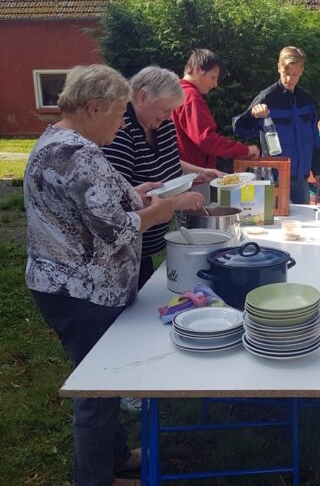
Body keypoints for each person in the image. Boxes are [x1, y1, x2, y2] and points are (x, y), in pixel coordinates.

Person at [24, 64, 186, 486]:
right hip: (79, 290)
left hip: (80, 286)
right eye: (118, 112)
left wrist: (141, 192)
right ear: (94, 108)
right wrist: (161, 209)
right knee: (98, 387)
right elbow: (113, 230)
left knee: (108, 377)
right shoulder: (75, 153)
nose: (122, 119)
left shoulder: (68, 142)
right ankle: (95, 479)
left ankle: (114, 457)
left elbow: (101, 204)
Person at [103, 66, 214, 290]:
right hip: (123, 249)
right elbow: (116, 197)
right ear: (142, 96)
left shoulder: (163, 125)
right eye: (165, 109)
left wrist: (196, 171)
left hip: (149, 242)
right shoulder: (120, 130)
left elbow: (170, 162)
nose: (168, 116)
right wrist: (175, 202)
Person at [233, 46, 320, 204]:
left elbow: (314, 137)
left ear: (301, 71)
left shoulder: (307, 100)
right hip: (275, 177)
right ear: (279, 68)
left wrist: (316, 169)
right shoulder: (267, 97)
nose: (289, 79)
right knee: (276, 223)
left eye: (294, 74)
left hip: (301, 178)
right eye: (286, 74)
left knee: (303, 223)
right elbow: (240, 129)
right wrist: (253, 115)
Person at [172, 48, 259, 169]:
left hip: (179, 170)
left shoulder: (176, 92)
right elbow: (206, 140)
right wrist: (245, 150)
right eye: (213, 77)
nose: (215, 84)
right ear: (197, 69)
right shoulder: (191, 97)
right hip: (194, 175)